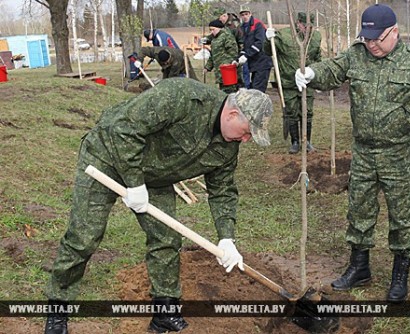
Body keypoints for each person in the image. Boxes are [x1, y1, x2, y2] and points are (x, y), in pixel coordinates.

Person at [44, 78, 273, 334]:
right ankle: (57, 309)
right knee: (84, 236)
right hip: (105, 157)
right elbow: (124, 128)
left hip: (154, 177)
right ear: (232, 114)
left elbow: (223, 191)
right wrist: (133, 182)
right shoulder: (182, 97)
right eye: (247, 131)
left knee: (165, 239)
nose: (246, 140)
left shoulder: (227, 148)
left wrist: (226, 238)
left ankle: (165, 312)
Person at [295, 4, 410, 302]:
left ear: (394, 32)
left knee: (402, 217)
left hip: (400, 154)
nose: (372, 44)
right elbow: (334, 69)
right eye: (367, 39)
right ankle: (359, 267)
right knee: (359, 210)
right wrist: (312, 72)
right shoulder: (357, 54)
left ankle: (399, 275)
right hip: (364, 152)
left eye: (377, 38)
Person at [265, 12, 322, 154]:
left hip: (307, 82)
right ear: (298, 23)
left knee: (307, 112)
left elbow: (318, 58)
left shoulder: (316, 37)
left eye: (310, 26)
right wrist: (267, 40)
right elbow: (268, 51)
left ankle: (307, 141)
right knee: (291, 112)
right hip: (288, 82)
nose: (307, 29)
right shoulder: (283, 36)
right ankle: (295, 142)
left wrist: (319, 76)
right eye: (305, 26)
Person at [235, 6, 273, 93]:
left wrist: (246, 55)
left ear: (250, 14)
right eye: (242, 15)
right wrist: (240, 57)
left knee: (258, 89)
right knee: (253, 87)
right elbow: (244, 45)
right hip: (253, 62)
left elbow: (260, 43)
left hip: (262, 61)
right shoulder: (242, 28)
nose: (245, 16)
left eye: (246, 14)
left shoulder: (257, 24)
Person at [204, 19, 242, 93]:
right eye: (210, 30)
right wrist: (207, 67)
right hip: (220, 71)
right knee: (223, 91)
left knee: (230, 91)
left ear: (219, 28)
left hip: (228, 70)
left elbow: (233, 52)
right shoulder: (214, 39)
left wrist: (228, 64)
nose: (211, 32)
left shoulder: (227, 36)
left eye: (213, 29)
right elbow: (213, 55)